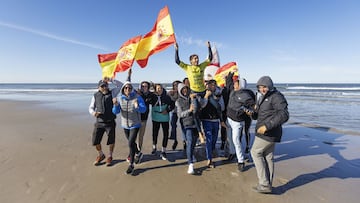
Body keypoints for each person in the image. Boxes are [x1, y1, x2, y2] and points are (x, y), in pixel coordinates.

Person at [248, 76, 289, 194]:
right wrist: (252, 113)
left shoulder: (276, 96)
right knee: (268, 157)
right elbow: (260, 115)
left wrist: (267, 126)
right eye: (260, 87)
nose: (262, 89)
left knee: (255, 153)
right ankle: (268, 184)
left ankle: (264, 184)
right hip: (267, 132)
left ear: (270, 86)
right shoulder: (264, 97)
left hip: (268, 132)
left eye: (264, 87)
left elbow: (284, 114)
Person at [112, 81, 146, 174]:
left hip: (135, 124)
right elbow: (116, 112)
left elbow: (144, 110)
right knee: (131, 142)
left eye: (129, 88)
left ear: (132, 89)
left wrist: (137, 106)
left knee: (130, 143)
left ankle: (131, 164)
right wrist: (115, 105)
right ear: (123, 89)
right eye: (126, 88)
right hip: (125, 125)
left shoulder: (137, 97)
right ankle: (138, 153)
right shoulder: (120, 98)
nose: (128, 90)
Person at [88, 78, 123, 166]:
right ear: (98, 87)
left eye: (105, 85)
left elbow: (121, 86)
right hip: (99, 122)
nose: (104, 87)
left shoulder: (113, 92)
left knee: (111, 140)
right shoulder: (95, 95)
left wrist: (111, 80)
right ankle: (101, 155)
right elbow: (91, 107)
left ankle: (110, 156)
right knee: (95, 141)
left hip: (110, 121)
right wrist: (94, 113)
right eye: (102, 86)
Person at [226, 77, 255, 172]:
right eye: (234, 83)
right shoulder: (233, 91)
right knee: (230, 138)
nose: (234, 85)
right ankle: (232, 152)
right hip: (229, 119)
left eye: (236, 84)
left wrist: (250, 111)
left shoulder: (245, 95)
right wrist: (229, 76)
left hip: (237, 122)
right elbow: (229, 84)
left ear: (241, 85)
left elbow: (253, 106)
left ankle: (241, 161)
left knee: (236, 140)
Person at [199, 79, 225, 168]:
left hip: (216, 120)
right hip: (206, 120)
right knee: (209, 139)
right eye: (210, 85)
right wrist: (206, 97)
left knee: (214, 139)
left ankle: (211, 150)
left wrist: (217, 99)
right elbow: (201, 105)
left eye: (214, 85)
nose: (212, 86)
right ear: (207, 85)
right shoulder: (203, 93)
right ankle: (209, 159)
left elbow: (222, 107)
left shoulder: (218, 94)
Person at [175, 83, 200, 174]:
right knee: (189, 142)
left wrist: (193, 99)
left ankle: (191, 155)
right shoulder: (178, 101)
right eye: (183, 89)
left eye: (186, 89)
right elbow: (180, 115)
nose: (185, 91)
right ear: (180, 91)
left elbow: (196, 109)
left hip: (196, 123)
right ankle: (190, 164)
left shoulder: (192, 97)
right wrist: (189, 111)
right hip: (187, 124)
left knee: (193, 142)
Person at [150, 83, 174, 160]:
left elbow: (172, 104)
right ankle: (154, 147)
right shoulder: (152, 96)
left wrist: (167, 110)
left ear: (163, 89)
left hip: (164, 117)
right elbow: (146, 99)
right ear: (155, 89)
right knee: (155, 133)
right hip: (155, 117)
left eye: (160, 88)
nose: (159, 89)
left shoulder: (166, 96)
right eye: (157, 88)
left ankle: (163, 150)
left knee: (166, 134)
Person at [136, 81, 154, 154]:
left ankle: (139, 151)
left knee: (141, 136)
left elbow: (160, 92)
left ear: (148, 87)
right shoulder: (137, 93)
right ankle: (133, 151)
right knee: (133, 136)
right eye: (142, 86)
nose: (144, 88)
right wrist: (129, 75)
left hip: (144, 119)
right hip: (135, 118)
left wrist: (154, 85)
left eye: (146, 86)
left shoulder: (150, 95)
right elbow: (127, 86)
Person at [168, 80, 182, 150]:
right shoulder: (171, 93)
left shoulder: (182, 92)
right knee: (173, 125)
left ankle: (184, 141)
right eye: (175, 85)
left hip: (181, 112)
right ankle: (175, 140)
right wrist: (170, 94)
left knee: (183, 126)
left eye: (177, 85)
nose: (176, 86)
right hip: (173, 111)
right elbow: (167, 99)